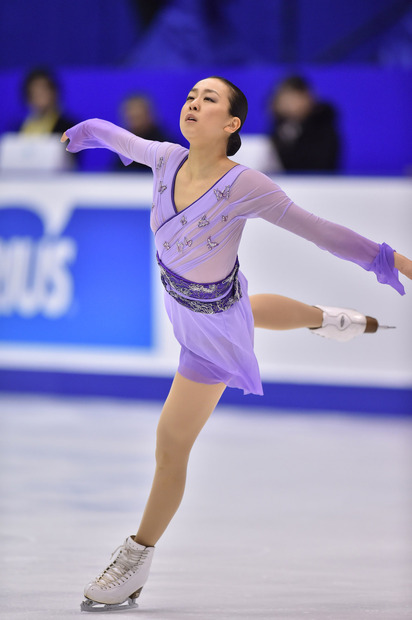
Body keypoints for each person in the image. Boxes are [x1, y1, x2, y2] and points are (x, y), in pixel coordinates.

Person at [61, 76, 411, 612]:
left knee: (169, 445)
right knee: (249, 310)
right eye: (189, 97)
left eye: (209, 100)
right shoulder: (164, 159)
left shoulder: (246, 185)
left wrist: (390, 260)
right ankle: (327, 317)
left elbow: (318, 230)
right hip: (196, 304)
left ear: (231, 125)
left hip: (212, 338)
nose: (193, 104)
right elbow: (120, 139)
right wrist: (90, 131)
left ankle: (135, 559)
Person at [268, 75, 341, 172]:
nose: (289, 104)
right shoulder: (280, 125)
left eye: (293, 98)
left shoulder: (323, 123)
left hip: (321, 183)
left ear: (307, 98)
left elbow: (321, 163)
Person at [113, 94, 170, 172]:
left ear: (148, 114)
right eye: (132, 117)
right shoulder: (123, 143)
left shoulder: (166, 144)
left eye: (138, 116)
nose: (136, 123)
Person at [19, 68, 76, 135]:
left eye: (43, 91)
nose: (39, 97)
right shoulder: (18, 129)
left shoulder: (69, 129)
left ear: (54, 93)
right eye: (35, 93)